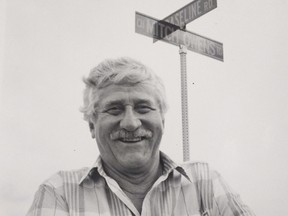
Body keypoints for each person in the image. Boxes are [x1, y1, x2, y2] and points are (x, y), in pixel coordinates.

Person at [27, 57, 255, 216]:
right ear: (91, 125)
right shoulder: (60, 192)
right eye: (114, 109)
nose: (130, 123)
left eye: (143, 107)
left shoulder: (205, 183)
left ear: (162, 121)